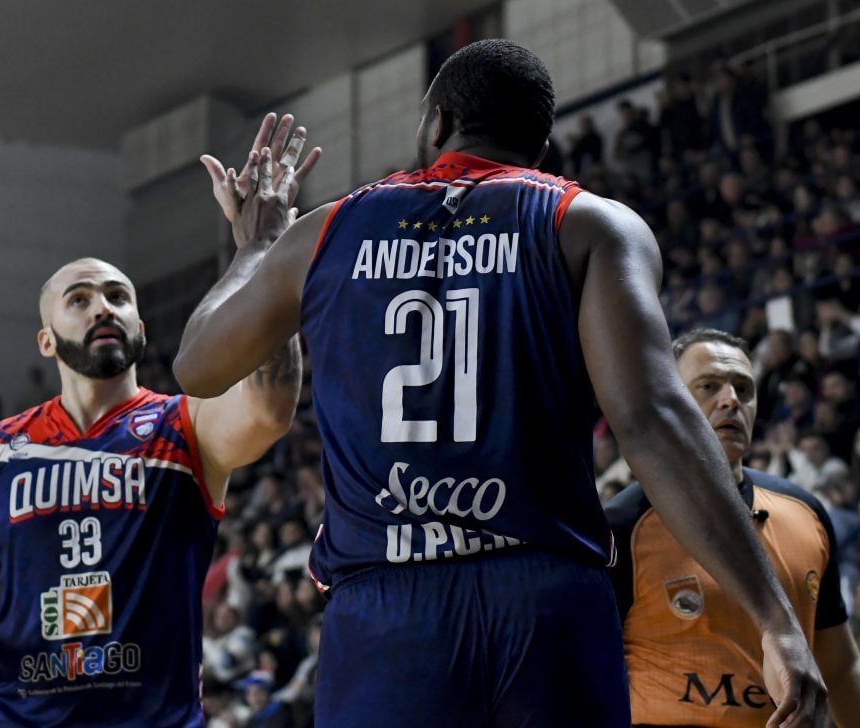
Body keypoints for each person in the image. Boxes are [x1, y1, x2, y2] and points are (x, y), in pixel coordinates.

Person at [176, 39, 825, 726]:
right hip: (546, 599)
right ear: (539, 145)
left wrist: (255, 246)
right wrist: (774, 619)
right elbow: (651, 420)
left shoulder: (323, 231)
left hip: (387, 608)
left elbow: (199, 365)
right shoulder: (589, 223)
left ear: (438, 124)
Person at [0, 116, 317, 727]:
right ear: (47, 342)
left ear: (140, 328)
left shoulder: (186, 426)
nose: (102, 306)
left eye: (117, 296)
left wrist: (263, 251)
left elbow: (269, 408)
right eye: (80, 299)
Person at [606, 328, 860, 727]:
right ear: (669, 399)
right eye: (708, 386)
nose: (731, 401)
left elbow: (841, 669)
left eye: (744, 389)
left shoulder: (806, 513)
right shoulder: (623, 526)